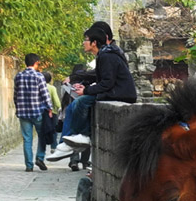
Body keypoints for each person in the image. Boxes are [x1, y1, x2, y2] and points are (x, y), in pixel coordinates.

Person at [49, 27, 137, 162]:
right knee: (73, 106)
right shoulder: (104, 55)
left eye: (86, 40)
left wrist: (86, 91)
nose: (84, 43)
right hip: (113, 92)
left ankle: (82, 136)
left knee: (81, 102)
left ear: (94, 42)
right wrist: (85, 86)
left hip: (120, 94)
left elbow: (107, 83)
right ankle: (66, 144)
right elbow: (101, 79)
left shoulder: (107, 56)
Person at [13, 53, 53, 172]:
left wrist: (18, 107)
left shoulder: (18, 76)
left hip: (23, 113)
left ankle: (29, 165)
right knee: (42, 136)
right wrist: (49, 108)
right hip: (37, 112)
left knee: (27, 139)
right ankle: (40, 157)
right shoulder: (39, 76)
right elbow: (45, 94)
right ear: (36, 63)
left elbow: (15, 95)